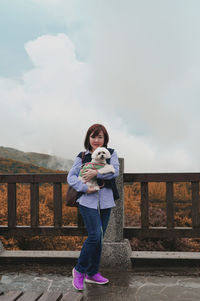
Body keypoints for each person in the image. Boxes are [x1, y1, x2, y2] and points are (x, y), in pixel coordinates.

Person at [67, 123, 119, 291]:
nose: (96, 140)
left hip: (106, 201)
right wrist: (84, 187)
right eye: (93, 136)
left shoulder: (111, 153)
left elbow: (115, 172)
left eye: (100, 137)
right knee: (95, 236)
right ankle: (79, 270)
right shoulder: (82, 156)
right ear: (88, 138)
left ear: (105, 139)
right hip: (87, 201)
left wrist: (96, 172)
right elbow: (71, 177)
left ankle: (92, 272)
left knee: (100, 238)